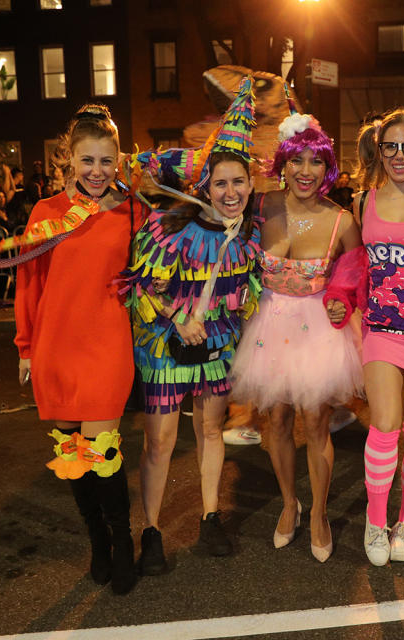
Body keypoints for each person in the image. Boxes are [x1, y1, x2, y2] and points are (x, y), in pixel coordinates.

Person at [121, 78, 260, 574]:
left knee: (211, 430)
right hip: (166, 346)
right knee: (158, 441)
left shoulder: (249, 233)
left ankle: (209, 516)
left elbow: (251, 288)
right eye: (220, 183)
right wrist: (177, 316)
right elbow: (140, 283)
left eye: (238, 182)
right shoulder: (168, 226)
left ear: (249, 183)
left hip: (218, 343)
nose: (230, 192)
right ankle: (152, 530)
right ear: (204, 186)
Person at [10, 104, 141, 595]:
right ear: (67, 158)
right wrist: (25, 347)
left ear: (118, 162)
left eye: (106, 162)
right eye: (87, 161)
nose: (97, 172)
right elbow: (29, 283)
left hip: (107, 345)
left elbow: (167, 253)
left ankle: (123, 542)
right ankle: (97, 541)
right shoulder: (45, 213)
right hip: (55, 348)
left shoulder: (132, 209)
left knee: (101, 450)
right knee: (71, 451)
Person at [229, 107, 363, 563]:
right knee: (277, 421)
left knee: (316, 422)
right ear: (282, 163)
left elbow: (355, 280)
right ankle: (290, 503)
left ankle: (320, 514)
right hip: (268, 325)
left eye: (316, 161)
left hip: (316, 332)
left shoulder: (343, 221)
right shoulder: (260, 203)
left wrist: (341, 299)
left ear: (328, 167)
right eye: (297, 160)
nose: (306, 171)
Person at [325, 107, 404, 566]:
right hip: (380, 328)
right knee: (385, 424)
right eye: (390, 146)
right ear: (379, 149)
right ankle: (376, 523)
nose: (399, 155)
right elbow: (354, 263)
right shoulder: (363, 201)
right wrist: (340, 296)